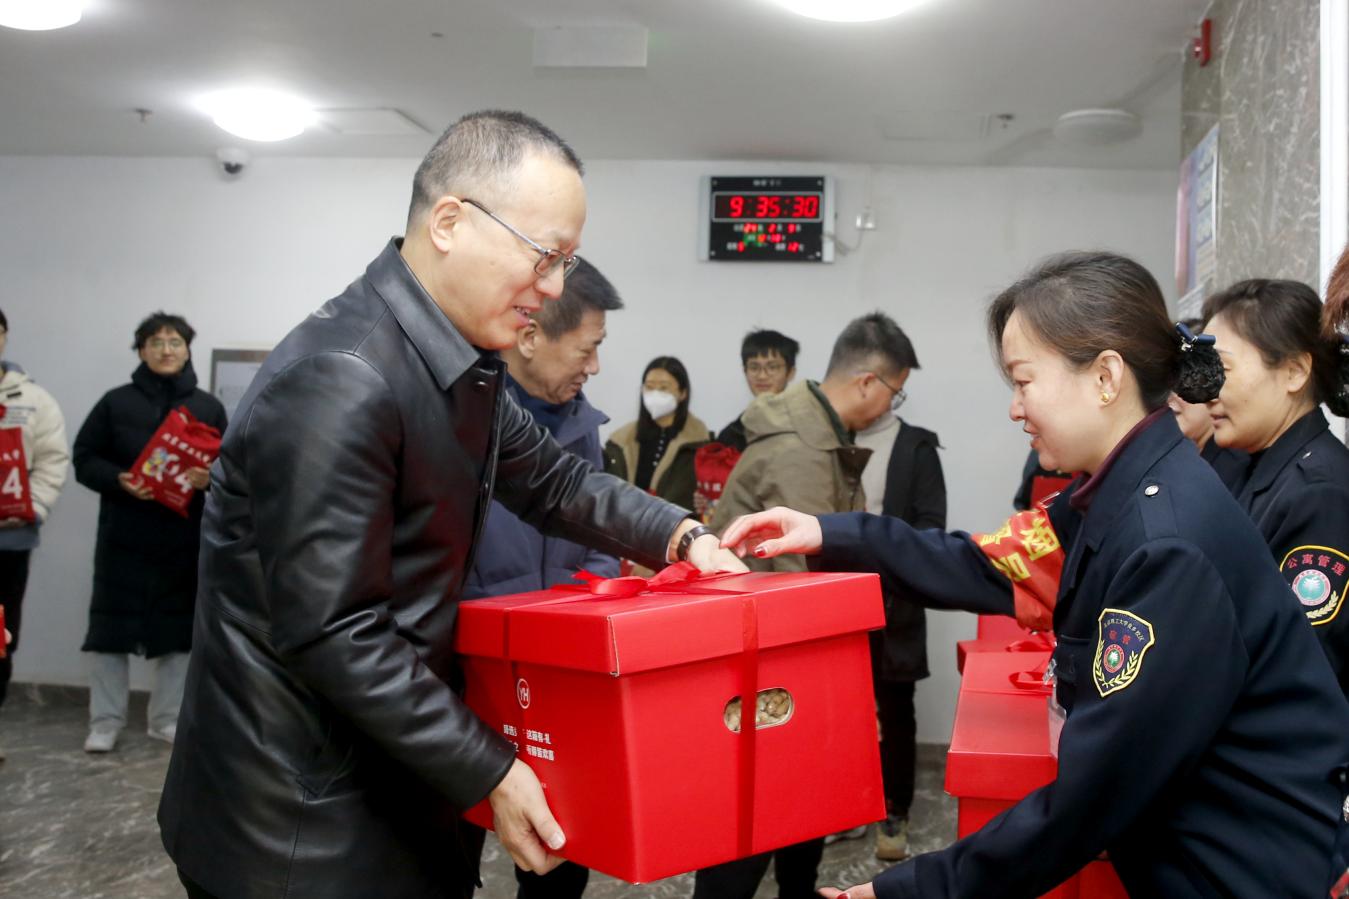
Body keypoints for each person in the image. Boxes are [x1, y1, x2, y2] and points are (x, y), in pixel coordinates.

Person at [157, 110, 742, 899]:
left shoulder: (456, 361)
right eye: (543, 256)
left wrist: (681, 534)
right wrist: (491, 768)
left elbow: (555, 481)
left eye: (566, 262)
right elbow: (334, 632)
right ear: (449, 223)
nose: (553, 288)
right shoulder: (341, 378)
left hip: (389, 781)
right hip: (299, 824)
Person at [721, 251, 1349, 898]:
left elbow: (1090, 798)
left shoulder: (1166, 541)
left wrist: (907, 889)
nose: (1015, 409)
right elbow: (984, 564)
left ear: (1105, 377)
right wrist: (831, 533)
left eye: (1023, 381)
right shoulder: (1119, 492)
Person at [694, 312, 915, 899]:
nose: (891, 405)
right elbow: (802, 591)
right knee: (751, 829)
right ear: (868, 382)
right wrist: (844, 697)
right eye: (895, 391)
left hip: (778, 660)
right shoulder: (803, 449)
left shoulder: (818, 434)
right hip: (769, 667)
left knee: (798, 816)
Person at [463, 256, 624, 899]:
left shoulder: (581, 426)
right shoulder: (461, 416)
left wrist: (578, 615)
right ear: (529, 337)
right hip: (470, 671)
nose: (595, 367)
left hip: (558, 673)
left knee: (560, 843)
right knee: (450, 836)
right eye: (586, 349)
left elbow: (601, 540)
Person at [72, 312, 225, 754]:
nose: (165, 350)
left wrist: (209, 479)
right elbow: (84, 458)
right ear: (141, 350)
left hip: (182, 541)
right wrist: (118, 479)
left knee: (178, 635)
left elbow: (233, 468)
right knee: (109, 633)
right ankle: (105, 722)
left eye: (175, 342)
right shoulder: (114, 402)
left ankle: (166, 719)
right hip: (123, 539)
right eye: (155, 342)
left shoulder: (208, 407)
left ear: (187, 350)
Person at [1201, 280, 1349, 696]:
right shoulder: (1252, 469)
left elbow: (1298, 664)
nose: (1205, 391)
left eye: (1221, 370)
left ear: (1294, 372)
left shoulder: (1319, 493)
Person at [852, 362, 945, 862]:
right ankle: (844, 807)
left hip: (894, 599)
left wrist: (886, 558)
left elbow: (932, 527)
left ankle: (895, 808)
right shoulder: (832, 439)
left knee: (894, 707)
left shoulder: (916, 446)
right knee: (841, 708)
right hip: (836, 601)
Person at [0, 307, 70, 761]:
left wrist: (33, 509)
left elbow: (51, 461)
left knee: (1, 637)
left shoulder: (33, 399)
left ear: (5, 336)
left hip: (9, 541)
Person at [603, 356, 711, 511]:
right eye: (649, 387)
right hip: (626, 522)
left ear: (683, 393)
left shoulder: (699, 444)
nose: (655, 394)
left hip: (676, 523)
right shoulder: (620, 441)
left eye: (663, 388)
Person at [717, 328, 800, 451]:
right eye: (754, 367)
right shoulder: (732, 434)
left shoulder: (804, 426)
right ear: (745, 371)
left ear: (790, 372)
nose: (762, 376)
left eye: (772, 367)